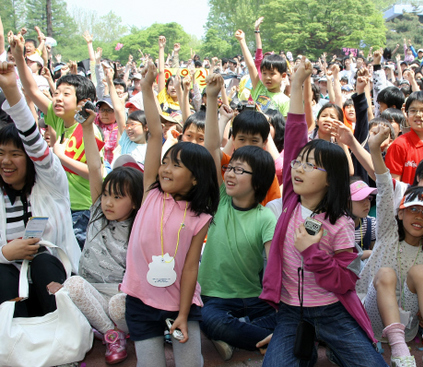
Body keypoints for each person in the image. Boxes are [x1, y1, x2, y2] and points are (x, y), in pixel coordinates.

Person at [260, 58, 387, 366]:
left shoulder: (340, 223)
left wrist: (314, 253)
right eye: (298, 163)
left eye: (310, 165)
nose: (299, 169)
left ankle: (332, 346)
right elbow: (293, 135)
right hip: (291, 311)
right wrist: (299, 84)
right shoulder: (291, 198)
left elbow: (345, 281)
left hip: (333, 310)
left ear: (331, 178)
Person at [120, 61, 219, 366]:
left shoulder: (200, 216)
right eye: (167, 161)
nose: (165, 168)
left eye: (176, 165)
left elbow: (190, 268)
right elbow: (153, 135)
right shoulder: (151, 191)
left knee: (191, 363)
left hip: (179, 302)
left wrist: (184, 313)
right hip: (139, 300)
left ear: (196, 178)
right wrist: (147, 89)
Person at [199, 73, 277, 361]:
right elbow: (209, 149)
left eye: (239, 171)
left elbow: (273, 265)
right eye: (230, 168)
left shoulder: (266, 217)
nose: (230, 173)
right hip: (216, 298)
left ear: (258, 182)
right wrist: (210, 98)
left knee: (289, 320)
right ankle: (272, 341)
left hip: (256, 299)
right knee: (211, 320)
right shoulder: (219, 199)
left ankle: (248, 336)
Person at [357, 125, 423, 367]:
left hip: (408, 328)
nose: (418, 217)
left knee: (420, 271)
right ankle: (399, 352)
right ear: (400, 213)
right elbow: (385, 187)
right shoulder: (387, 231)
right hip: (372, 317)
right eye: (413, 210)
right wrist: (375, 150)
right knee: (385, 273)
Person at [63, 105, 144, 364]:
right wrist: (87, 128)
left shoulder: (139, 224)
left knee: (119, 305)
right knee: (72, 284)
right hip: (92, 290)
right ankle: (112, 334)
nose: (108, 202)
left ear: (134, 203)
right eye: (107, 194)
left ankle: (115, 328)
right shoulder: (98, 214)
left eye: (118, 197)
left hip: (120, 292)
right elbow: (96, 168)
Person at [0, 60, 79, 318]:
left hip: (53, 286)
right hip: (14, 292)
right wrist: (5, 254)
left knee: (44, 261)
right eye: (0, 154)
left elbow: (32, 138)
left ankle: (62, 333)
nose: (5, 161)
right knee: (3, 273)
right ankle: (15, 341)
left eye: (14, 154)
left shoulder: (50, 182)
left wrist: (12, 89)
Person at [12, 33, 104, 250]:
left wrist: (60, 155)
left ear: (82, 103)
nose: (58, 98)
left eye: (66, 94)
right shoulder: (61, 121)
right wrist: (19, 58)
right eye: (57, 93)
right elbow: (32, 89)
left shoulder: (88, 130)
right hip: (62, 204)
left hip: (81, 209)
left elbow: (95, 173)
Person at [384, 90, 423, 184]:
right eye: (413, 110)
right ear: (406, 114)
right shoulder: (399, 145)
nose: (418, 115)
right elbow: (394, 186)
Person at [235, 29, 289, 116]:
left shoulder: (286, 101)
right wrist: (242, 41)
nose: (267, 77)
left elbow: (283, 127)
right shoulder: (259, 89)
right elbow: (251, 66)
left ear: (283, 76)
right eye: (264, 73)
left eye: (272, 74)